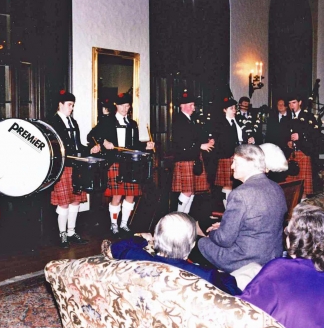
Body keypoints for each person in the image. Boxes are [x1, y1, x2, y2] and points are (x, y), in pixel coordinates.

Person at [239, 205, 324, 328]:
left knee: (243, 273)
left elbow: (240, 314)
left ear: (293, 240)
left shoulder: (279, 270)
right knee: (252, 268)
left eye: (288, 232)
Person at [197, 144, 287, 273]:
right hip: (272, 256)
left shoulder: (240, 194)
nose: (232, 166)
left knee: (201, 243)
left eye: (235, 162)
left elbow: (224, 240)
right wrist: (223, 226)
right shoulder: (276, 187)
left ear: (249, 164)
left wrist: (210, 233)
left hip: (245, 260)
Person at [108, 212, 241, 295]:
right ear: (192, 245)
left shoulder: (135, 256)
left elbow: (115, 247)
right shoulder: (205, 274)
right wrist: (223, 275)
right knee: (252, 270)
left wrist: (143, 239)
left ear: (156, 238)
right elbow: (232, 293)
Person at [92, 93, 155, 236]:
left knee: (131, 195)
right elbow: (92, 136)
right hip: (114, 162)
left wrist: (146, 146)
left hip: (130, 163)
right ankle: (114, 225)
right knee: (117, 195)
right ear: (116, 106)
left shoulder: (132, 124)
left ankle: (124, 224)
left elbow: (136, 145)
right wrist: (104, 142)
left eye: (127, 106)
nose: (125, 109)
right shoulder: (107, 121)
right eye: (122, 106)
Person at [48, 90, 100, 248]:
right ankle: (62, 234)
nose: (71, 108)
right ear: (60, 105)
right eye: (69, 105)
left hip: (77, 166)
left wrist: (90, 149)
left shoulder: (73, 122)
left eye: (73, 105)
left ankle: (71, 232)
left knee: (76, 201)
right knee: (63, 203)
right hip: (63, 167)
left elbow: (77, 145)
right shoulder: (52, 122)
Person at [172, 90, 214, 214]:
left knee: (192, 192)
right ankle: (179, 218)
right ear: (183, 106)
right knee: (187, 191)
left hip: (193, 158)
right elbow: (182, 143)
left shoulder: (191, 120)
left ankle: (186, 217)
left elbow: (196, 137)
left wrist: (208, 140)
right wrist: (201, 146)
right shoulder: (178, 120)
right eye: (191, 105)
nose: (194, 108)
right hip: (185, 159)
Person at [213, 98, 254, 207]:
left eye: (235, 108)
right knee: (227, 185)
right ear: (224, 110)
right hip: (227, 156)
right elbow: (218, 142)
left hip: (239, 155)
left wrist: (250, 139)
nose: (234, 110)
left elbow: (245, 133)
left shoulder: (238, 120)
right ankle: (227, 209)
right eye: (231, 108)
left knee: (238, 183)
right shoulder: (220, 124)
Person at [283, 93, 320, 197]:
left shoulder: (309, 116)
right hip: (291, 153)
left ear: (300, 103)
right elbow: (283, 134)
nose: (291, 106)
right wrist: (287, 142)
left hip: (304, 151)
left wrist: (301, 137)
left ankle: (303, 204)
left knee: (303, 185)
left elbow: (315, 135)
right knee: (290, 183)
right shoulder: (287, 118)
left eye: (294, 103)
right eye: (289, 103)